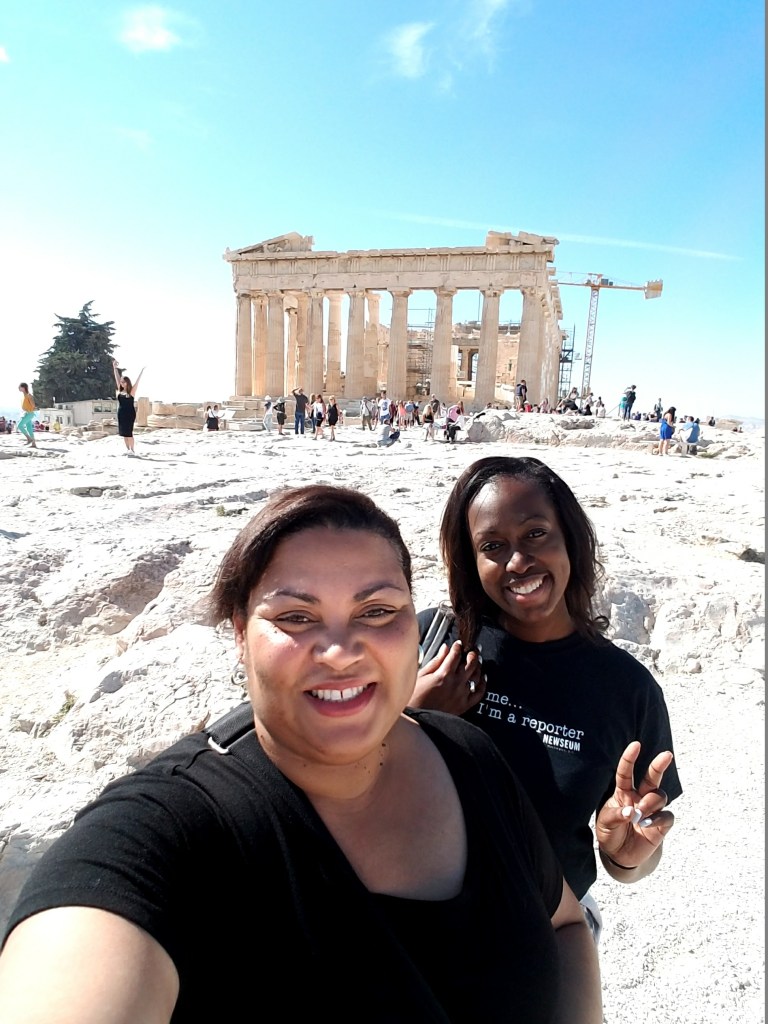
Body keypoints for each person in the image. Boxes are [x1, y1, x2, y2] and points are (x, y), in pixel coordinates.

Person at [0, 484, 601, 1022]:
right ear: (240, 634)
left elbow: (567, 925)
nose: (341, 650)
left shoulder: (468, 755)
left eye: (377, 611)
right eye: (295, 616)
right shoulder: (162, 837)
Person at [410, 456, 682, 943]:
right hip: (416, 927)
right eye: (493, 546)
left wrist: (626, 856)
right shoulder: (431, 645)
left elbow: (633, 856)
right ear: (471, 560)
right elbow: (334, 775)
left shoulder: (628, 689)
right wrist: (412, 718)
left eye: (536, 533)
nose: (518, 562)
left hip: (548, 936)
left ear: (569, 538)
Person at [112, 359, 145, 456]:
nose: (121, 383)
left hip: (130, 414)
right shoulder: (120, 390)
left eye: (123, 382)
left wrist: (141, 371)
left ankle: (132, 450)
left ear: (127, 383)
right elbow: (117, 377)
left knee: (129, 432)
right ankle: (127, 450)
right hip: (121, 413)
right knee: (123, 433)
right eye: (121, 382)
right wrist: (114, 368)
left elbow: (137, 382)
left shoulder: (131, 392)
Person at [17, 384, 37, 448]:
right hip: (26, 413)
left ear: (24, 387)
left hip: (29, 413)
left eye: (20, 387)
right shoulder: (24, 396)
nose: (18, 388)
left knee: (19, 425)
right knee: (29, 428)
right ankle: (33, 443)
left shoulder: (28, 395)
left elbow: (33, 405)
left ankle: (29, 438)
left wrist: (30, 409)